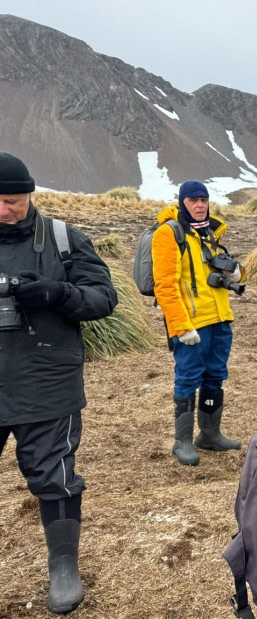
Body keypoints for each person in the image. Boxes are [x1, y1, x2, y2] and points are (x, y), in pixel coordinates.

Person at [0, 153, 117, 614]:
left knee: (56, 478)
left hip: (46, 382)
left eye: (12, 201)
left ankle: (63, 567)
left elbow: (104, 297)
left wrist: (58, 293)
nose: (3, 211)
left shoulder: (64, 239)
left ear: (30, 194)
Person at [152, 180, 244, 466]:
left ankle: (210, 434)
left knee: (215, 375)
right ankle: (182, 441)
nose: (200, 205)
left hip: (219, 317)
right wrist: (180, 325)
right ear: (183, 203)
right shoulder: (169, 234)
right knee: (187, 378)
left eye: (203, 199)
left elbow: (219, 272)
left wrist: (237, 274)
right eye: (193, 200)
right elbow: (165, 286)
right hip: (192, 322)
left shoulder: (210, 233)